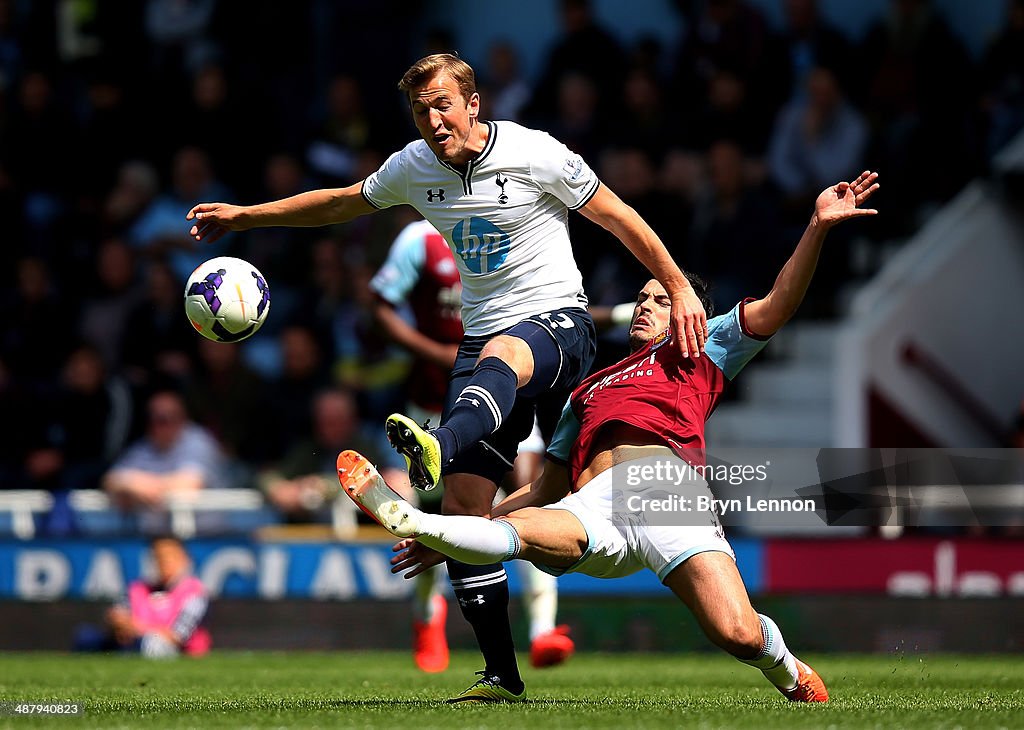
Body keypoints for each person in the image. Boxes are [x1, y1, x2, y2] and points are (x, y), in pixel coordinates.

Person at [187, 52, 707, 702]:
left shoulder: (534, 152)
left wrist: (680, 287)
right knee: (466, 512)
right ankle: (500, 674)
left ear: (472, 104)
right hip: (483, 338)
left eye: (442, 104)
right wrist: (244, 216)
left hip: (560, 323)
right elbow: (337, 204)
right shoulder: (413, 167)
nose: (433, 119)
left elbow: (619, 216)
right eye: (420, 109)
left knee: (502, 364)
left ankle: (440, 441)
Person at [340, 171, 881, 703]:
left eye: (661, 298)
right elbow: (547, 488)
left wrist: (817, 226)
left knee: (737, 634)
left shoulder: (704, 347)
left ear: (689, 312)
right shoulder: (587, 390)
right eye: (642, 297)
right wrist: (455, 537)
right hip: (591, 508)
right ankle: (420, 521)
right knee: (516, 535)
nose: (646, 304)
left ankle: (786, 668)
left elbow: (778, 304)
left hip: (667, 493)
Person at [370, 217, 573, 672]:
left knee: (530, 491)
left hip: (509, 396)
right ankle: (427, 615)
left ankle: (542, 630)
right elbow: (378, 306)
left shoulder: (510, 224)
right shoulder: (418, 239)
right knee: (419, 514)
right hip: (430, 405)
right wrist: (436, 353)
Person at [74, 535, 211, 657]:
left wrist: (137, 628)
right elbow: (119, 614)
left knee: (151, 644)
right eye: (158, 557)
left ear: (184, 559)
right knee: (86, 637)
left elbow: (178, 636)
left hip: (170, 649)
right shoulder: (138, 588)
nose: (164, 562)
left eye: (170, 556)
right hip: (130, 641)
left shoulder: (194, 592)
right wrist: (117, 623)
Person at [102, 389, 224, 510]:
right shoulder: (143, 447)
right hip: (158, 528)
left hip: (210, 528)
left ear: (183, 418)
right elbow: (110, 480)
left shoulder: (198, 441)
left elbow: (189, 484)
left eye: (170, 417)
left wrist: (139, 483)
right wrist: (131, 483)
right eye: (157, 418)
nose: (163, 424)